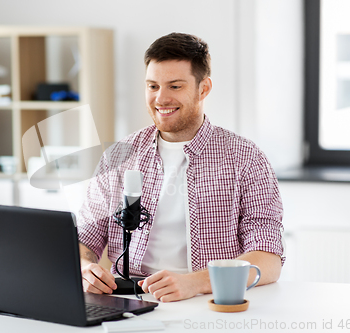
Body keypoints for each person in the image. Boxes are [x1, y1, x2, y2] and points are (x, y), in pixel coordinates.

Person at [77, 32, 284, 303]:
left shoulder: (246, 158)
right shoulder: (120, 155)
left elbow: (268, 259)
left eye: (175, 86)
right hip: (130, 300)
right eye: (152, 86)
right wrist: (84, 268)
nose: (161, 99)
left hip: (210, 298)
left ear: (204, 88)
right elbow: (84, 237)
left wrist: (195, 283)